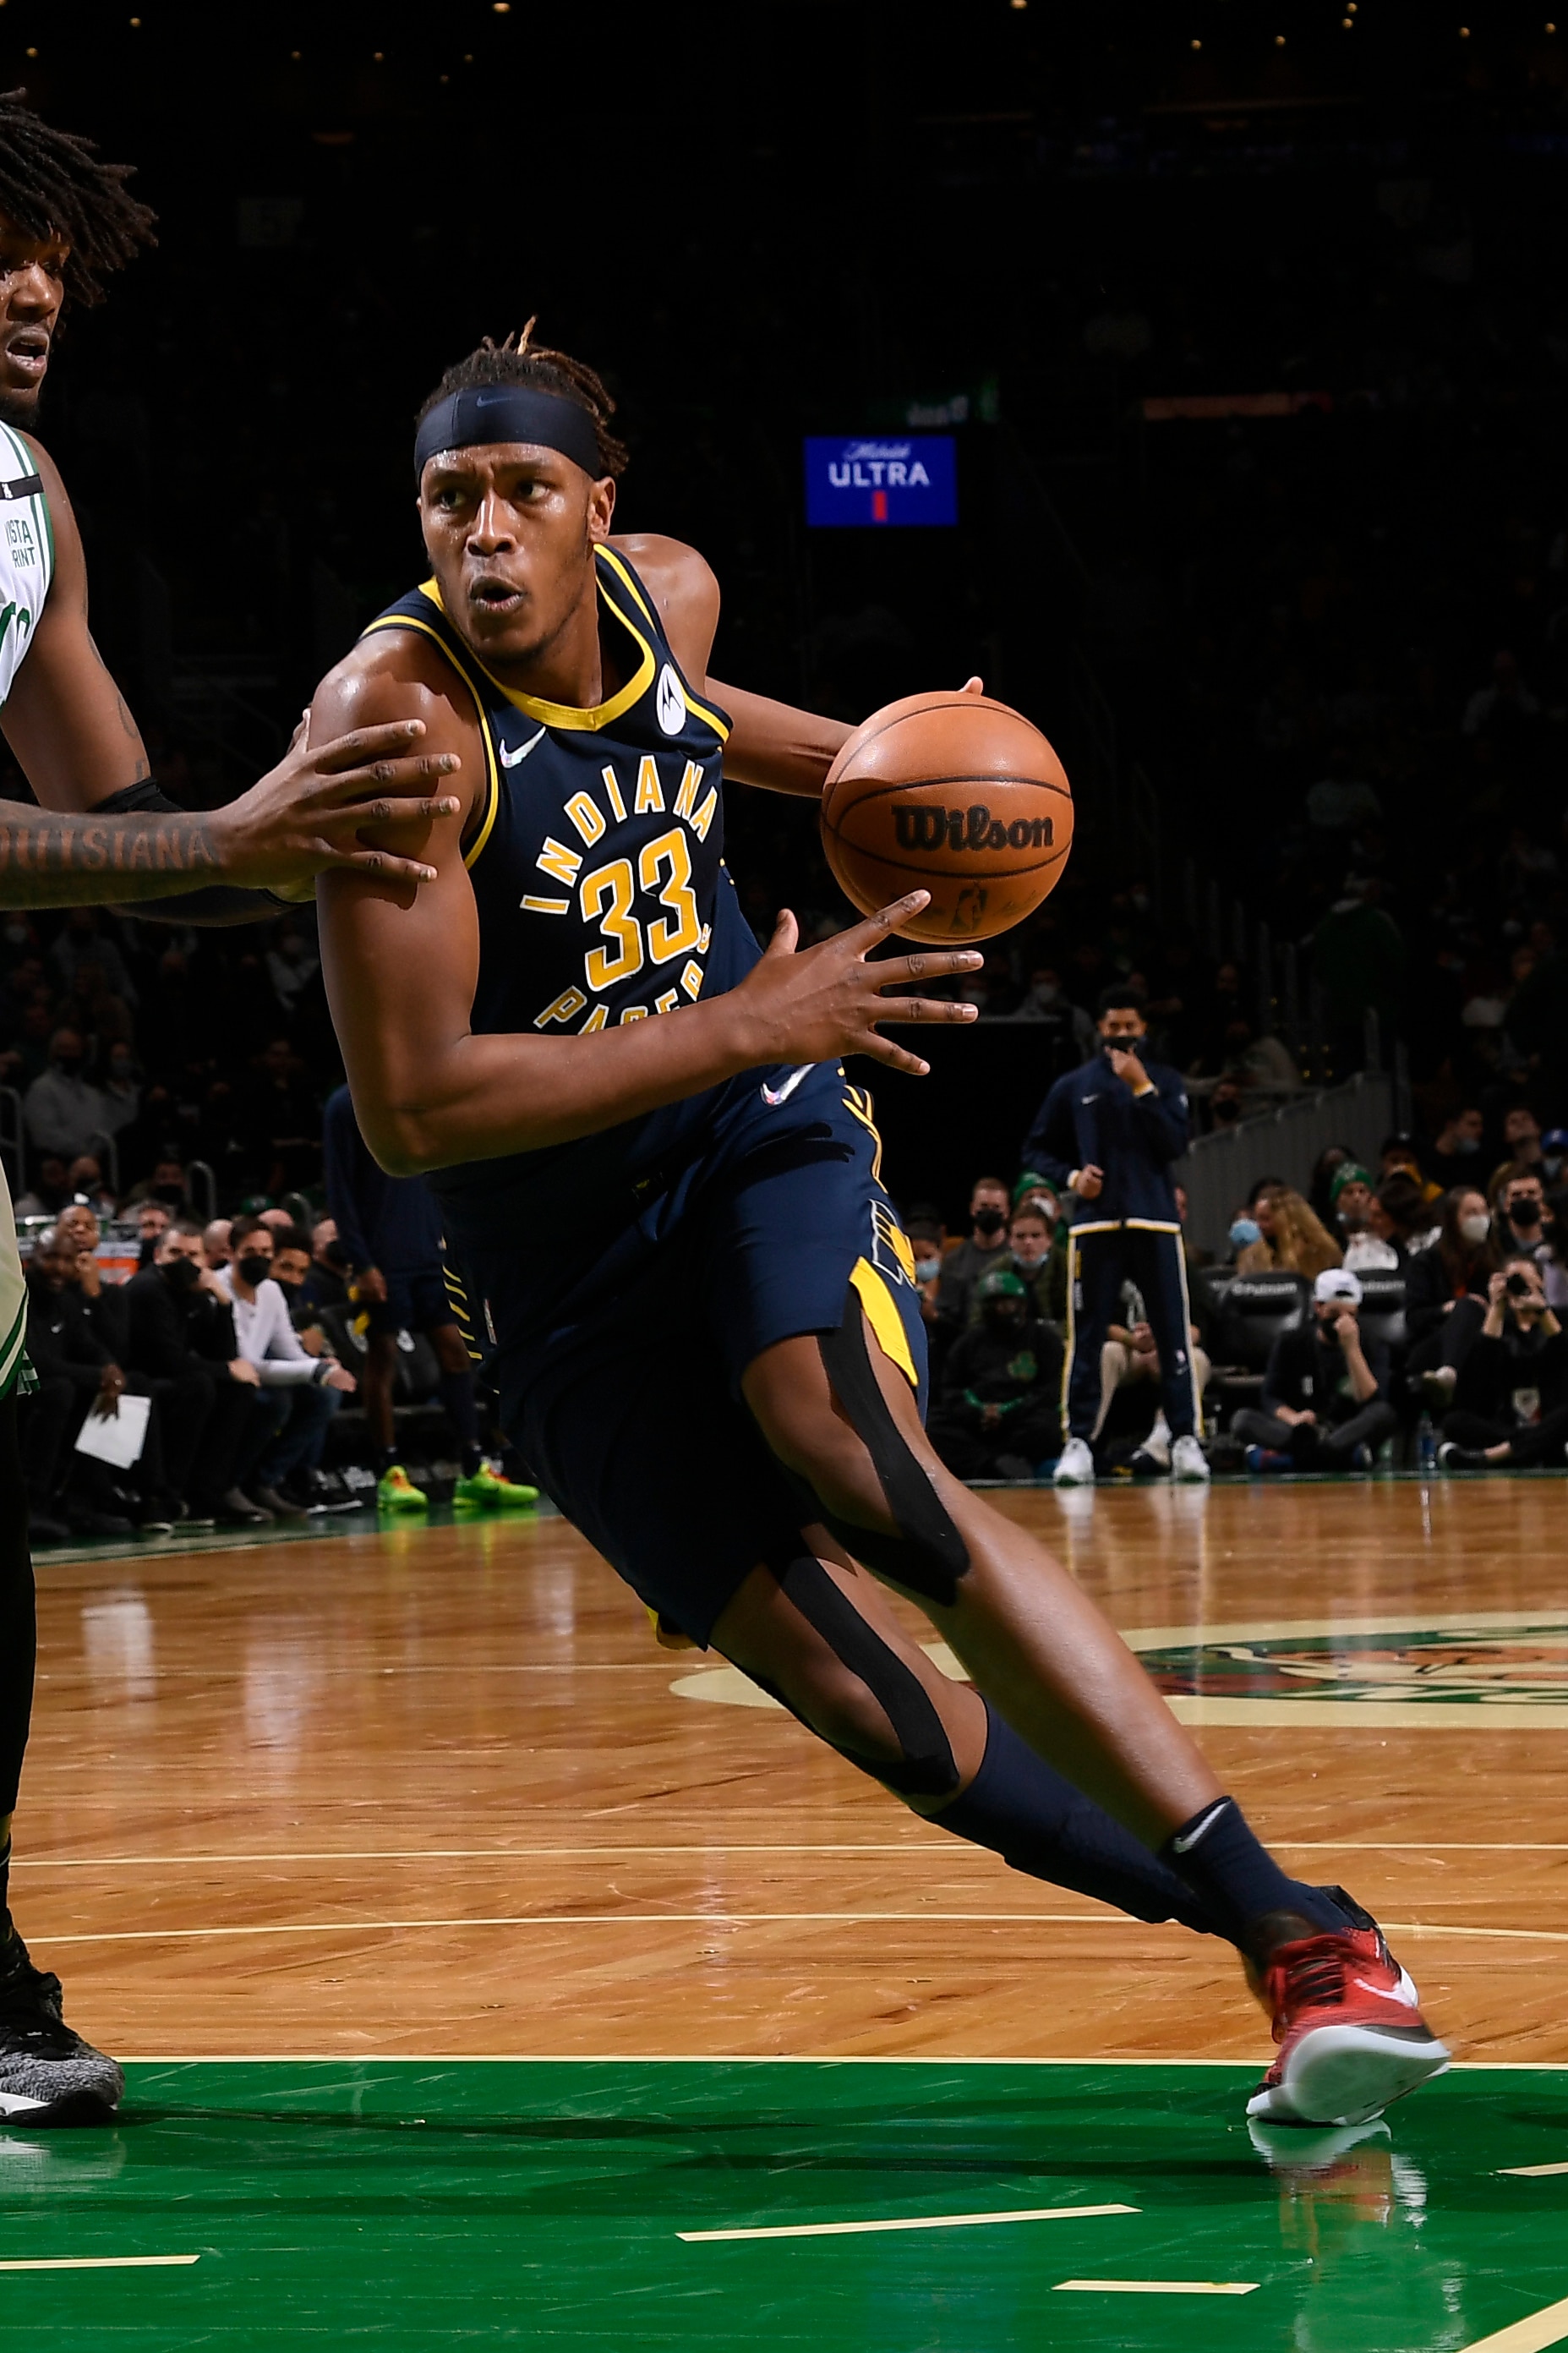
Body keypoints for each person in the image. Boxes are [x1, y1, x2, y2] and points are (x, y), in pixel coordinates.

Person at [308, 327, 1445, 2128]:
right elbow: (415, 1104)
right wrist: (753, 1015)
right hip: (552, 1248)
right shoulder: (397, 726)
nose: (489, 535)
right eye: (451, 499)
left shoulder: (660, 600)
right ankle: (1283, 1921)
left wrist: (921, 768)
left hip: (749, 1129)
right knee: (874, 1710)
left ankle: (1305, 1948)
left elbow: (712, 728)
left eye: (527, 491)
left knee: (843, 1434)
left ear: (601, 508)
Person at [0, 86, 464, 2128]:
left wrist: (304, 833)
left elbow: (121, 821)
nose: (29, 286)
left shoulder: (23, 493)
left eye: (48, 256)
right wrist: (247, 832)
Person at [1024, 985, 1207, 1486]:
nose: (1123, 1035)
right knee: (1086, 1339)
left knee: (1172, 1336)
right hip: (1094, 1226)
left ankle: (1186, 1438)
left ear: (1144, 1029)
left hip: (1156, 1223)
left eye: (1131, 1026)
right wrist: (1071, 1180)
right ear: (1100, 1029)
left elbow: (1174, 1144)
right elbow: (1036, 1149)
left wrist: (1143, 1089)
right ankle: (1079, 1442)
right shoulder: (1073, 1085)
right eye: (1114, 1026)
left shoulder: (1165, 1081)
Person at [321, 1082, 528, 1510]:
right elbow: (340, 1189)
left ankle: (473, 1467)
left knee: (455, 1353)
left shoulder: (421, 1094)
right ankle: (388, 1472)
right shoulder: (346, 1105)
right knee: (383, 1360)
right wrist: (361, 1263)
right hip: (381, 1259)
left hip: (429, 1252)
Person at [218, 1216, 357, 1519]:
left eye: (266, 1252)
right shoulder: (220, 1288)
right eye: (251, 1251)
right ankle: (230, 1484)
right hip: (224, 1376)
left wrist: (319, 1365)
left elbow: (288, 1351)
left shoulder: (270, 1291)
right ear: (231, 1252)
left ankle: (266, 1481)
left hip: (258, 1375)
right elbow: (247, 1362)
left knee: (323, 1397)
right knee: (275, 1402)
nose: (260, 1259)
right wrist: (315, 1371)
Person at [1232, 1268, 1400, 1473]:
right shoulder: (1291, 1342)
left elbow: (1372, 1401)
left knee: (1384, 1414)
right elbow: (1270, 1397)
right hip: (1301, 1431)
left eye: (1351, 1315)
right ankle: (1336, 1459)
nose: (1342, 1322)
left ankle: (1299, 1459)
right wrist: (1294, 1418)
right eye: (1335, 1314)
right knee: (1243, 1420)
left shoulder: (1373, 1344)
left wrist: (1351, 1349)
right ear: (1318, 1308)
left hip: (1346, 1431)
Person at [926, 1269, 1063, 1481]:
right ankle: (992, 1464)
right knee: (934, 1425)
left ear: (1023, 1305)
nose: (1001, 1310)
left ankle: (994, 1462)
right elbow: (951, 1388)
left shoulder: (1044, 1339)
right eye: (994, 1304)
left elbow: (1050, 1390)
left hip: (1022, 1420)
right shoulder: (969, 1341)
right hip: (976, 1423)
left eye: (1008, 1303)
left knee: (1049, 1428)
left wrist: (1009, 1412)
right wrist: (977, 1412)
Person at [1437, 1257, 1568, 1470]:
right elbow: (1477, 1383)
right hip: (1507, 1421)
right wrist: (1496, 1308)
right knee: (1454, 1422)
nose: (1519, 1287)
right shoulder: (1496, 1324)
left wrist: (1543, 1311)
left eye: (1525, 1280)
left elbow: (1563, 1357)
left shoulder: (1559, 1319)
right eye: (1512, 1281)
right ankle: (1539, 1447)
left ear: (1541, 1283)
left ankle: (1492, 1456)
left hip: (1550, 1413)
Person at [932, 1176, 1013, 1343]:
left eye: (996, 1207)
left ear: (1007, 1212)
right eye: (984, 1206)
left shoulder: (1016, 1257)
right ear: (972, 1208)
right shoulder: (954, 1259)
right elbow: (947, 1315)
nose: (989, 1211)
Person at [1235, 1185, 1342, 1281]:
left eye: (1266, 1219)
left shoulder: (1320, 1253)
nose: (1259, 1225)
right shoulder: (1253, 1256)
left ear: (1287, 1220)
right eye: (1257, 1219)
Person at [1492, 1164, 1554, 1267]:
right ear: (1505, 1204)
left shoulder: (1558, 1240)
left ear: (1542, 1200)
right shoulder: (1494, 1246)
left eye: (1531, 1193)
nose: (1525, 1198)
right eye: (1517, 1195)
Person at [1420, 1104, 1485, 1186]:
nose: (1480, 1130)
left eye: (1480, 1125)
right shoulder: (1423, 1156)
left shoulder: (1474, 1162)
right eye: (1472, 1124)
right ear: (1451, 1126)